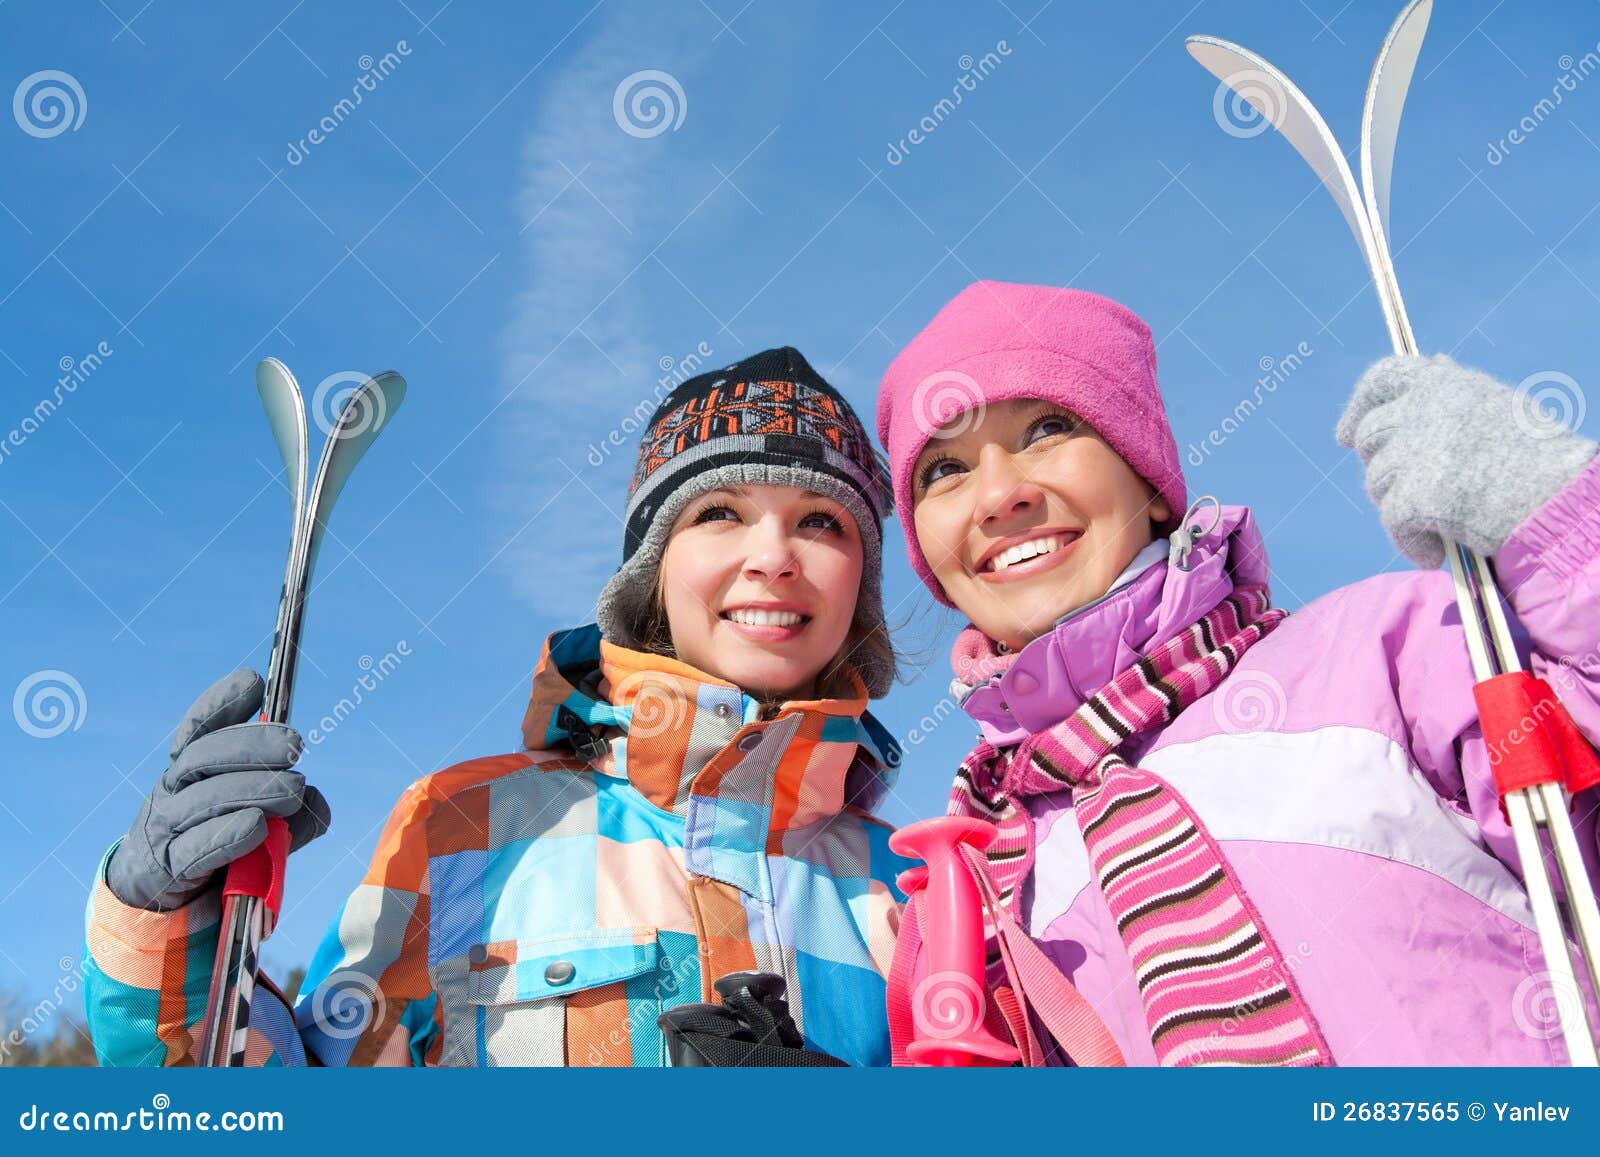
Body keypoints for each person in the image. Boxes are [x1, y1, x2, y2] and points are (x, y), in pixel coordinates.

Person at [83, 346, 914, 1067]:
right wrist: (173, 935)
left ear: (860, 580)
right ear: (651, 569)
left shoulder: (921, 891)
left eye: (820, 522)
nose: (772, 557)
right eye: (721, 513)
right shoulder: (463, 828)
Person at [876, 279, 1600, 1065]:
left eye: (1047, 427)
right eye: (942, 471)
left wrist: (1563, 529)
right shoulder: (979, 880)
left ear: (1150, 480)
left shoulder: (1387, 652)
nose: (998, 494)